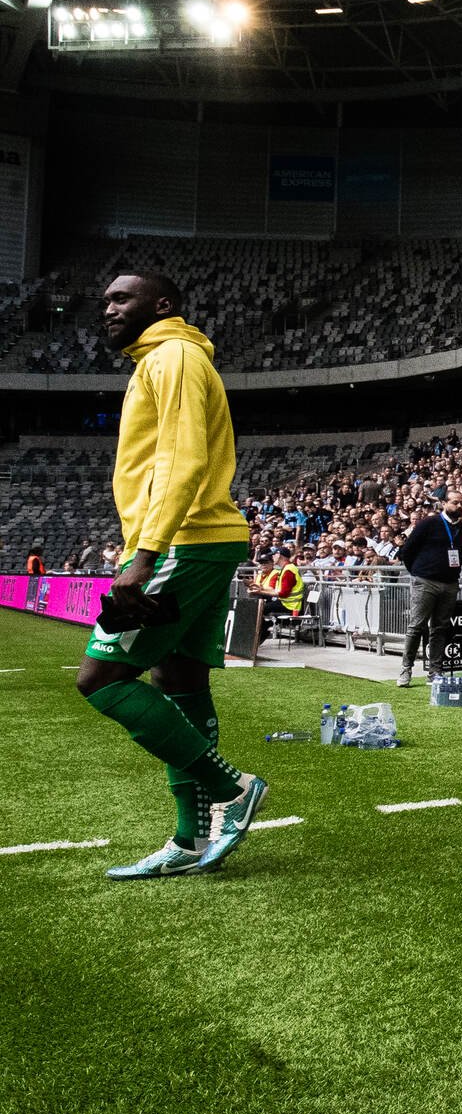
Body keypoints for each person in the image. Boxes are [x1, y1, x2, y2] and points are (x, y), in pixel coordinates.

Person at [74, 272, 267, 880]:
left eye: (120, 298)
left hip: (187, 542)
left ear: (161, 305)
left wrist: (145, 554)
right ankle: (188, 840)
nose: (107, 308)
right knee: (177, 677)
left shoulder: (175, 355)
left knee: (101, 678)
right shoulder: (159, 360)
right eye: (104, 300)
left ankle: (230, 789)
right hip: (199, 540)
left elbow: (183, 459)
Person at [394, 496, 462, 687]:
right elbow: (408, 550)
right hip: (425, 581)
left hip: (450, 584)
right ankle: (406, 669)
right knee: (416, 626)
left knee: (440, 628)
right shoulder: (429, 523)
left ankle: (435, 671)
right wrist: (417, 573)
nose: (459, 506)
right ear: (444, 503)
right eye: (455, 502)